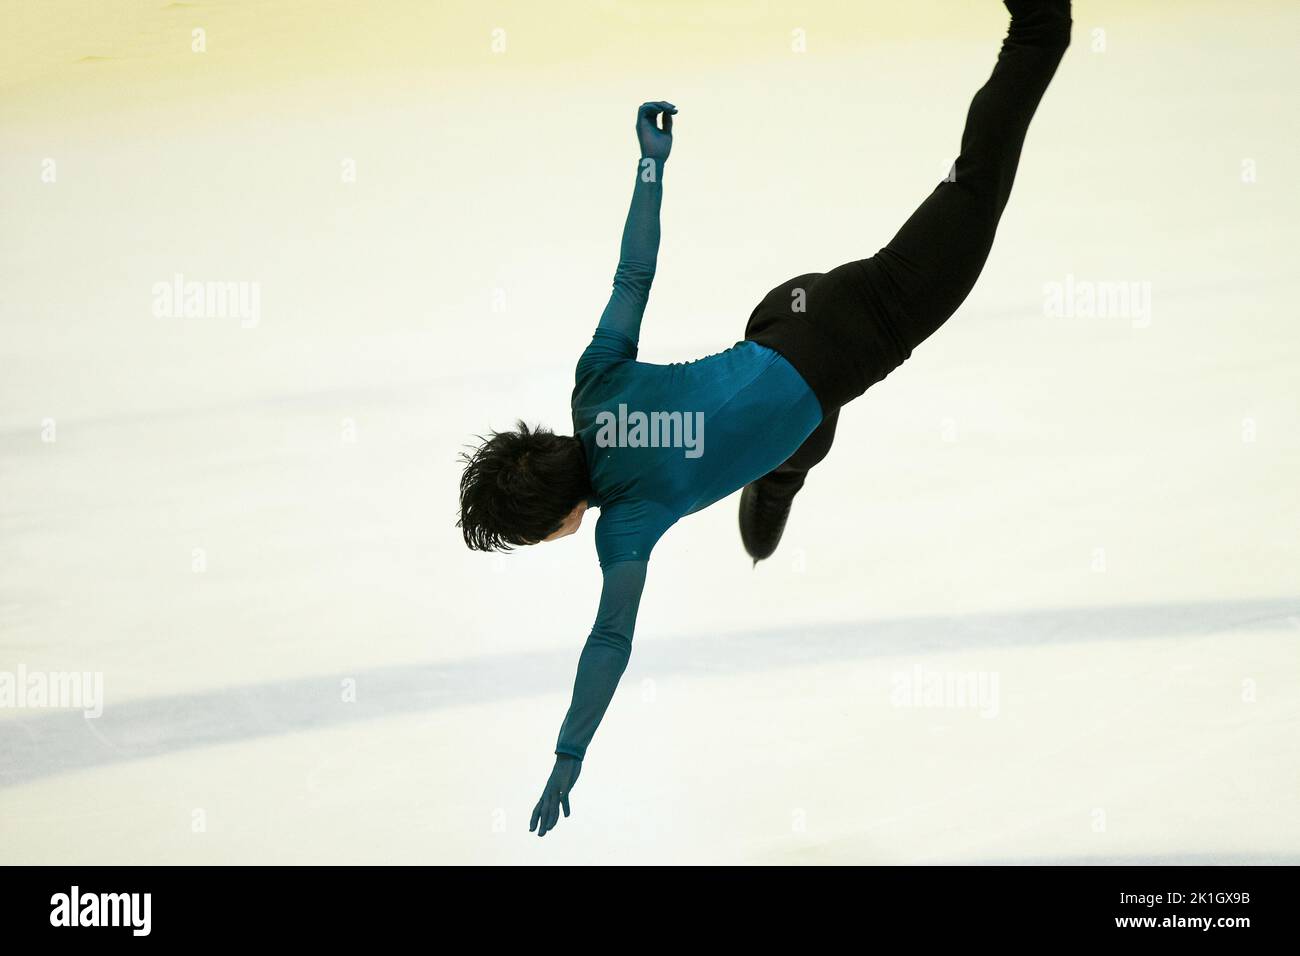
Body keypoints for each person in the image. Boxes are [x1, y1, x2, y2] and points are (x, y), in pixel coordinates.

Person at [456, 0, 1072, 837]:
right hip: (785, 309)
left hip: (871, 323)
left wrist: (568, 757)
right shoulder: (593, 388)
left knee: (978, 178)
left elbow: (608, 644)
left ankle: (1039, 21)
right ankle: (777, 480)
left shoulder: (626, 529)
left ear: (557, 520)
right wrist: (650, 165)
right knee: (794, 430)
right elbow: (634, 272)